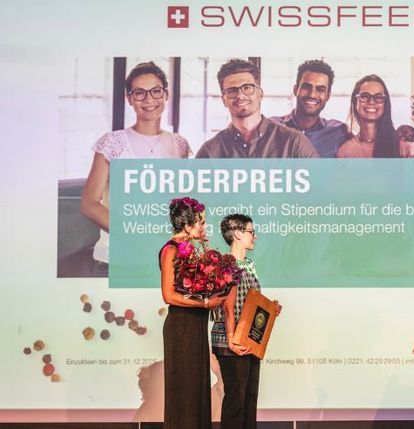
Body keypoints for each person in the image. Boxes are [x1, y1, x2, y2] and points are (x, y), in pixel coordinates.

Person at [81, 61, 190, 276]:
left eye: (156, 91)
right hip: (116, 261)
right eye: (139, 93)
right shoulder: (112, 142)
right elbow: (89, 204)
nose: (149, 99)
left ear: (166, 95)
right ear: (129, 99)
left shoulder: (180, 145)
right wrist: (139, 236)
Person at [159, 197, 226, 429]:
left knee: (197, 390)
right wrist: (205, 302)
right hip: (181, 327)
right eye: (201, 222)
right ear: (187, 226)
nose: (204, 227)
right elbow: (168, 295)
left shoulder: (192, 251)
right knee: (185, 392)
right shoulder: (170, 250)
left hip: (196, 325)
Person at [211, 213, 282, 429]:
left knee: (249, 399)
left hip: (249, 338)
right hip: (231, 339)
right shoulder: (227, 264)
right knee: (237, 400)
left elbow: (249, 301)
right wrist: (231, 339)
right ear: (237, 234)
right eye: (251, 231)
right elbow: (228, 306)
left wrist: (269, 308)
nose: (255, 236)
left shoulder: (249, 264)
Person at [196, 58, 318, 158]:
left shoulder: (294, 143)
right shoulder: (209, 153)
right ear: (224, 100)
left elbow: (321, 180)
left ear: (260, 94)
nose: (240, 95)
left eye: (247, 88)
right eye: (232, 90)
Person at [271, 59, 350, 157]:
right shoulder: (272, 128)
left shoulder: (339, 132)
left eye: (320, 90)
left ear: (328, 95)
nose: (312, 94)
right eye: (306, 87)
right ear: (295, 90)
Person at [336, 74, 401, 158]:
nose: (371, 102)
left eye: (378, 97)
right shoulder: (345, 152)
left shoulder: (402, 145)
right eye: (364, 96)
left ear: (385, 104)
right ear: (355, 103)